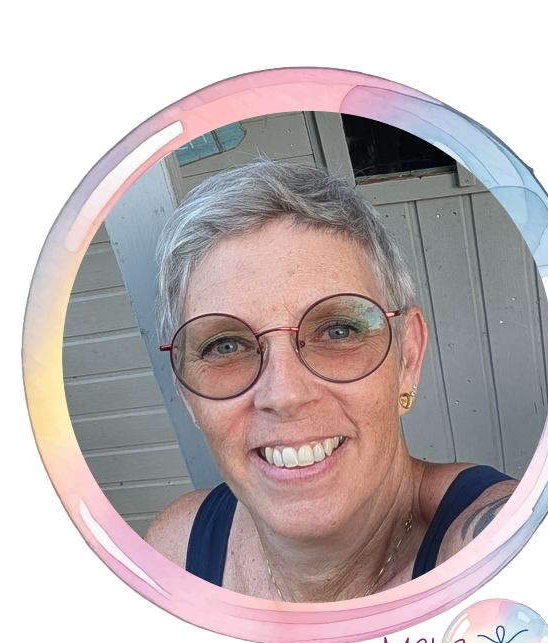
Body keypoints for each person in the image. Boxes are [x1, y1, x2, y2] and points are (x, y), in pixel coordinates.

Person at [145, 160, 517, 602]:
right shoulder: (175, 549)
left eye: (338, 331)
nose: (285, 394)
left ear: (408, 357)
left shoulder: (491, 544)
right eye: (226, 346)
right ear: (187, 392)